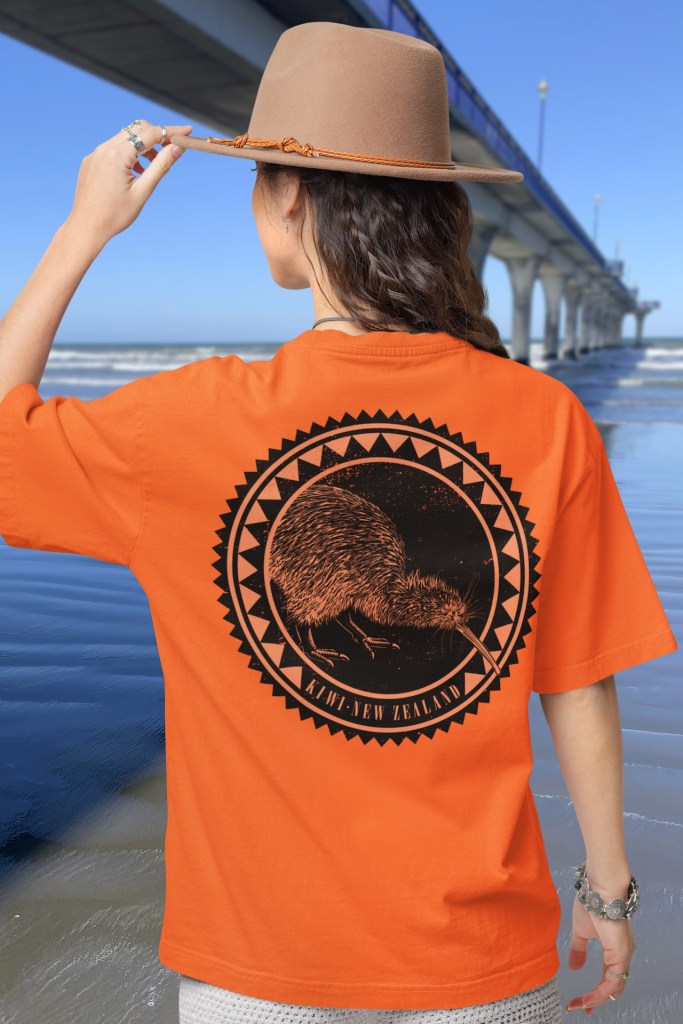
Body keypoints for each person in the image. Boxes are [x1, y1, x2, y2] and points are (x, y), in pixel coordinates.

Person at [0, 20, 677, 1024]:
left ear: (288, 198)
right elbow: (576, 680)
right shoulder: (543, 421)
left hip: (257, 961)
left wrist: (83, 230)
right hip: (479, 958)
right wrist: (607, 889)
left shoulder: (190, 420)